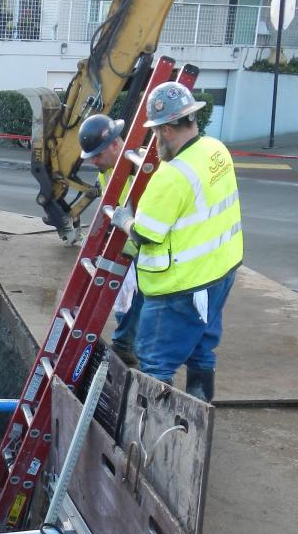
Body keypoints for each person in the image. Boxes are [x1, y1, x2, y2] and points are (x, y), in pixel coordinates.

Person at [109, 83, 243, 402]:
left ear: (168, 129)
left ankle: (153, 439)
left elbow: (145, 233)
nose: (155, 141)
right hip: (221, 272)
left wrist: (123, 218)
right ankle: (198, 418)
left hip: (179, 287)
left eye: (156, 133)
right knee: (201, 350)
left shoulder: (170, 177)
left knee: (156, 363)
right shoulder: (215, 150)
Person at [78, 113, 143, 366]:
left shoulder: (139, 169)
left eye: (97, 154)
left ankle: (129, 347)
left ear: (115, 144)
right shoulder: (108, 170)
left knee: (143, 299)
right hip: (127, 245)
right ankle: (127, 345)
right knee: (125, 299)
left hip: (146, 246)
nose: (93, 161)